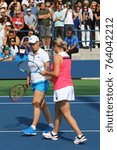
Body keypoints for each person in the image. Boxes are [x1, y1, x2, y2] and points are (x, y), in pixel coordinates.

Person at [41, 38, 87, 144]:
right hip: (67, 86)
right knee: (58, 111)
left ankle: (80, 135)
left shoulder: (57, 57)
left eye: (53, 47)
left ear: (56, 47)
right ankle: (54, 133)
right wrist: (49, 78)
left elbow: (56, 73)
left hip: (62, 87)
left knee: (66, 114)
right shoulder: (67, 55)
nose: (53, 49)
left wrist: (46, 73)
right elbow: (61, 73)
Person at [22, 35, 54, 135]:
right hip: (34, 82)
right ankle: (50, 125)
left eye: (33, 44)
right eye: (30, 44)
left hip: (42, 81)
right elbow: (29, 69)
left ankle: (33, 127)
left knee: (35, 102)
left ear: (38, 43)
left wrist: (47, 74)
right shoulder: (30, 54)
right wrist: (28, 79)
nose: (31, 46)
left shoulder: (43, 54)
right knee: (42, 104)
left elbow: (48, 67)